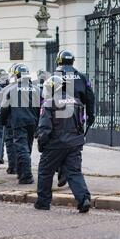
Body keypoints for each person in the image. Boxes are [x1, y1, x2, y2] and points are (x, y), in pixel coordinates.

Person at [35, 76, 91, 213]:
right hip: (74, 143)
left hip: (55, 144)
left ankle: (43, 202)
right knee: (74, 172)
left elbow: (44, 128)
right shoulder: (76, 102)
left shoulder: (48, 104)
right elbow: (81, 123)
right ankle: (84, 199)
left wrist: (41, 144)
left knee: (45, 172)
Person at [55, 50, 95, 187]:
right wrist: (91, 114)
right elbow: (90, 97)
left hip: (58, 115)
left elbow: (46, 97)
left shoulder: (55, 76)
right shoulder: (82, 77)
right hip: (77, 116)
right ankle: (71, 170)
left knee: (58, 143)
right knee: (75, 145)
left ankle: (62, 171)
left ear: (59, 61)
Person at [0, 64, 40, 184]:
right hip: (32, 122)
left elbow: (4, 108)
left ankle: (26, 176)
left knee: (22, 149)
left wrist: (2, 121)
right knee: (27, 147)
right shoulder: (37, 89)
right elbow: (41, 107)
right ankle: (21, 173)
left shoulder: (11, 90)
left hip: (18, 122)